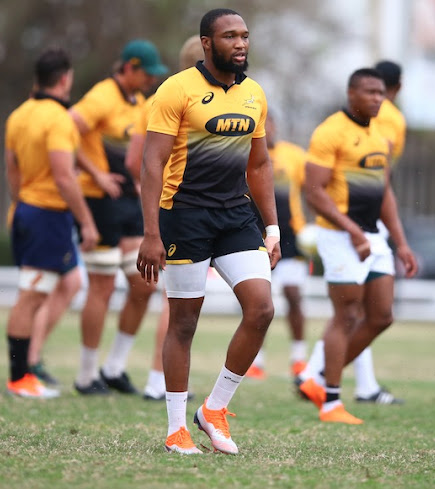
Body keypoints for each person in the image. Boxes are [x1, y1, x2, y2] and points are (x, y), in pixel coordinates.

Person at [137, 8, 280, 455]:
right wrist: (151, 233)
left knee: (261, 309)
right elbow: (150, 164)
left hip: (236, 215)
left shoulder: (254, 93)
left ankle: (214, 410)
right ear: (205, 43)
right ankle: (176, 428)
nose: (240, 44)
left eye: (245, 36)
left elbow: (258, 164)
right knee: (184, 322)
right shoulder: (175, 90)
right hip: (184, 215)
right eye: (230, 36)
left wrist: (272, 225)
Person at [297, 68, 418, 424]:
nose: (377, 98)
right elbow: (314, 193)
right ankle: (332, 401)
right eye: (369, 92)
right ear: (351, 93)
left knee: (381, 316)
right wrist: (351, 231)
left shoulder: (382, 135)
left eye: (381, 92)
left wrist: (401, 243)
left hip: (374, 237)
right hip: (338, 237)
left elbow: (385, 194)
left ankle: (318, 379)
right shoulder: (330, 131)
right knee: (346, 316)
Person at [70, 39, 168, 395]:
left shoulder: (139, 103)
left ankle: (114, 367)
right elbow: (68, 128)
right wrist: (95, 173)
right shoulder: (102, 96)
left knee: (144, 284)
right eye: (146, 73)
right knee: (103, 286)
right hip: (99, 200)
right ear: (129, 67)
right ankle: (85, 375)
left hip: (128, 201)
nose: (150, 80)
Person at [4, 48, 99, 398]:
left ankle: (29, 362)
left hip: (29, 210)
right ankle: (20, 376)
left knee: (70, 280)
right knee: (31, 295)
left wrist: (19, 205)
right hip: (48, 214)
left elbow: (11, 169)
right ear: (65, 79)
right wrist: (86, 222)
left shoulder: (19, 115)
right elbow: (63, 176)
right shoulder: (58, 119)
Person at [125, 35, 204, 401]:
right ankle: (158, 381)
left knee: (169, 300)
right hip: (179, 208)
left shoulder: (160, 99)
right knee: (174, 302)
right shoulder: (174, 99)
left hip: (177, 208)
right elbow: (139, 162)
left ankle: (149, 376)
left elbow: (135, 162)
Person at [245, 111, 309, 380]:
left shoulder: (295, 156)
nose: (267, 129)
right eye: (262, 125)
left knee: (293, 294)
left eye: (269, 124)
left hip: (291, 234)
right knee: (259, 301)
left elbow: (315, 187)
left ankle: (298, 358)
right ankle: (256, 361)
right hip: (254, 234)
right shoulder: (246, 156)